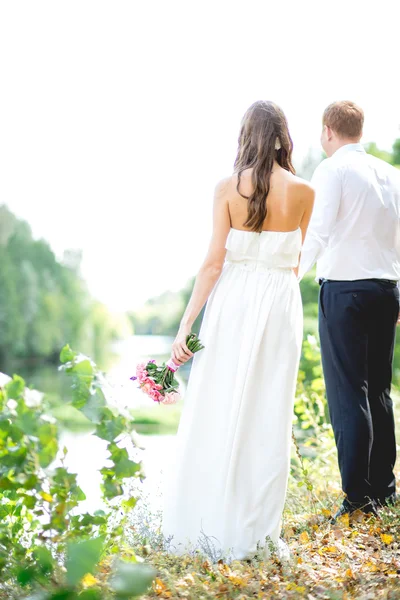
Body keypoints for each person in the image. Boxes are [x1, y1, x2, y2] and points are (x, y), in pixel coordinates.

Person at [162, 100, 314, 560]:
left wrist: (186, 325)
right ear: (283, 137)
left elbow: (213, 263)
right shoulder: (306, 191)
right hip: (279, 303)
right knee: (268, 412)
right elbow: (296, 263)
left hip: (232, 300)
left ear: (246, 136)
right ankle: (255, 530)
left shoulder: (226, 189)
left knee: (218, 402)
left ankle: (206, 519)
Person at [299, 101, 400, 520]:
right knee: (378, 389)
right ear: (358, 129)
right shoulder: (390, 173)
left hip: (344, 292)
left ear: (328, 131)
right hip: (386, 290)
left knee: (347, 393)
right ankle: (384, 489)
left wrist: (290, 277)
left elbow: (319, 231)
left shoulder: (332, 170)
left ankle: (357, 497)